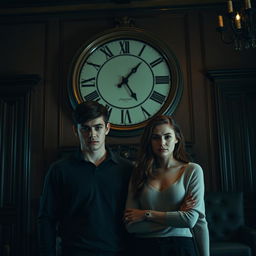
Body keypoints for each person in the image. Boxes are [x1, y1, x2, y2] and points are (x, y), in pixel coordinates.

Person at [37, 101, 133, 256]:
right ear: (76, 130)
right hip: (73, 252)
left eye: (98, 127)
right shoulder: (59, 170)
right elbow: (46, 218)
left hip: (118, 251)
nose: (92, 134)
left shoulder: (127, 169)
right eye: (85, 128)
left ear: (107, 128)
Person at [124, 115, 209, 256]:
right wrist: (177, 218)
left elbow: (194, 221)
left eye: (167, 137)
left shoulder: (192, 170)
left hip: (181, 247)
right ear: (149, 141)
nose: (162, 142)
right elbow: (131, 226)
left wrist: (146, 215)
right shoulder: (138, 172)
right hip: (145, 248)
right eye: (155, 138)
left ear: (177, 138)